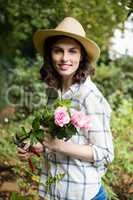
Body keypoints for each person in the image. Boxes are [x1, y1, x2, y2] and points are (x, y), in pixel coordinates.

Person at [18, 17, 114, 200]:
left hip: (83, 194)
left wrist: (59, 145)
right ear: (50, 54)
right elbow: (55, 139)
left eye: (72, 51)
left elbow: (105, 153)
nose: (64, 58)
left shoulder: (89, 96)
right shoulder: (54, 92)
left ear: (82, 57)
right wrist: (36, 146)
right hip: (56, 191)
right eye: (58, 51)